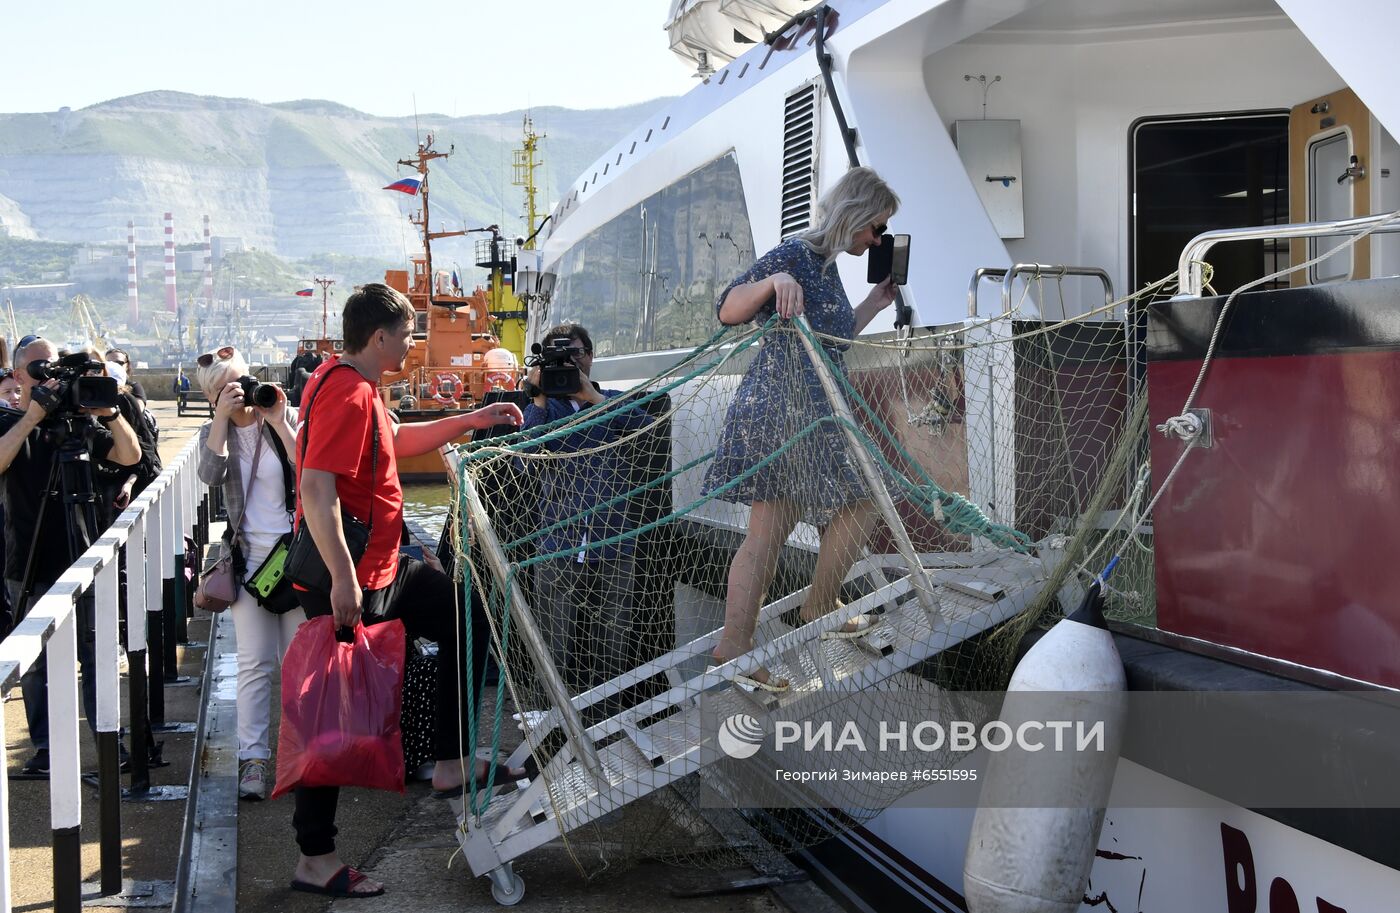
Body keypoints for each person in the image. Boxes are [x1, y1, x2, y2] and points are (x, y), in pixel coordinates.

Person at [289, 283, 526, 898]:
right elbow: (316, 490)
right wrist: (342, 577)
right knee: (334, 711)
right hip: (357, 578)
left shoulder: (346, 382)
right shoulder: (347, 392)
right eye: (406, 334)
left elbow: (394, 443)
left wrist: (470, 420)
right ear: (379, 338)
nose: (411, 343)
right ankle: (315, 856)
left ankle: (450, 763)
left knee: (464, 613)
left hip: (383, 568)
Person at [702, 166, 900, 692]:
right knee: (769, 535)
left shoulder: (827, 266)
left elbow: (828, 340)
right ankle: (737, 647)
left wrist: (873, 306)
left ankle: (816, 605)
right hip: (780, 414)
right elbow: (727, 309)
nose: (876, 239)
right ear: (852, 216)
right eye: (874, 228)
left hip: (811, 417)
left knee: (859, 499)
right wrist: (772, 281)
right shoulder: (795, 253)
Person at [0, 337, 142, 771]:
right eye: (42, 367)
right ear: (20, 375)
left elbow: (129, 455)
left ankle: (107, 741)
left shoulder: (78, 423)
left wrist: (111, 414)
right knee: (37, 665)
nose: (52, 375)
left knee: (97, 653)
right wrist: (32, 417)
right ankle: (45, 749)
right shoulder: (8, 420)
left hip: (82, 555)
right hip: (30, 558)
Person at [521, 323, 652, 696]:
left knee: (614, 632)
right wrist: (539, 398)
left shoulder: (611, 400)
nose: (570, 362)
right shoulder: (542, 409)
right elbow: (524, 457)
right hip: (557, 539)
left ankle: (607, 709)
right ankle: (548, 709)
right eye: (559, 357)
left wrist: (593, 397)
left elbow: (646, 430)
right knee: (552, 634)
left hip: (613, 537)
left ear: (591, 357)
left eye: (576, 353)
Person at [195, 347, 301, 801]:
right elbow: (208, 473)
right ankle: (253, 761)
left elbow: (309, 463)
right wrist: (220, 419)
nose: (240, 392)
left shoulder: (279, 417)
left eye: (243, 381)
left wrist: (278, 418)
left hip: (294, 559)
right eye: (227, 388)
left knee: (299, 665)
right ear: (213, 397)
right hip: (247, 563)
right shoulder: (213, 434)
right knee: (254, 664)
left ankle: (301, 758)